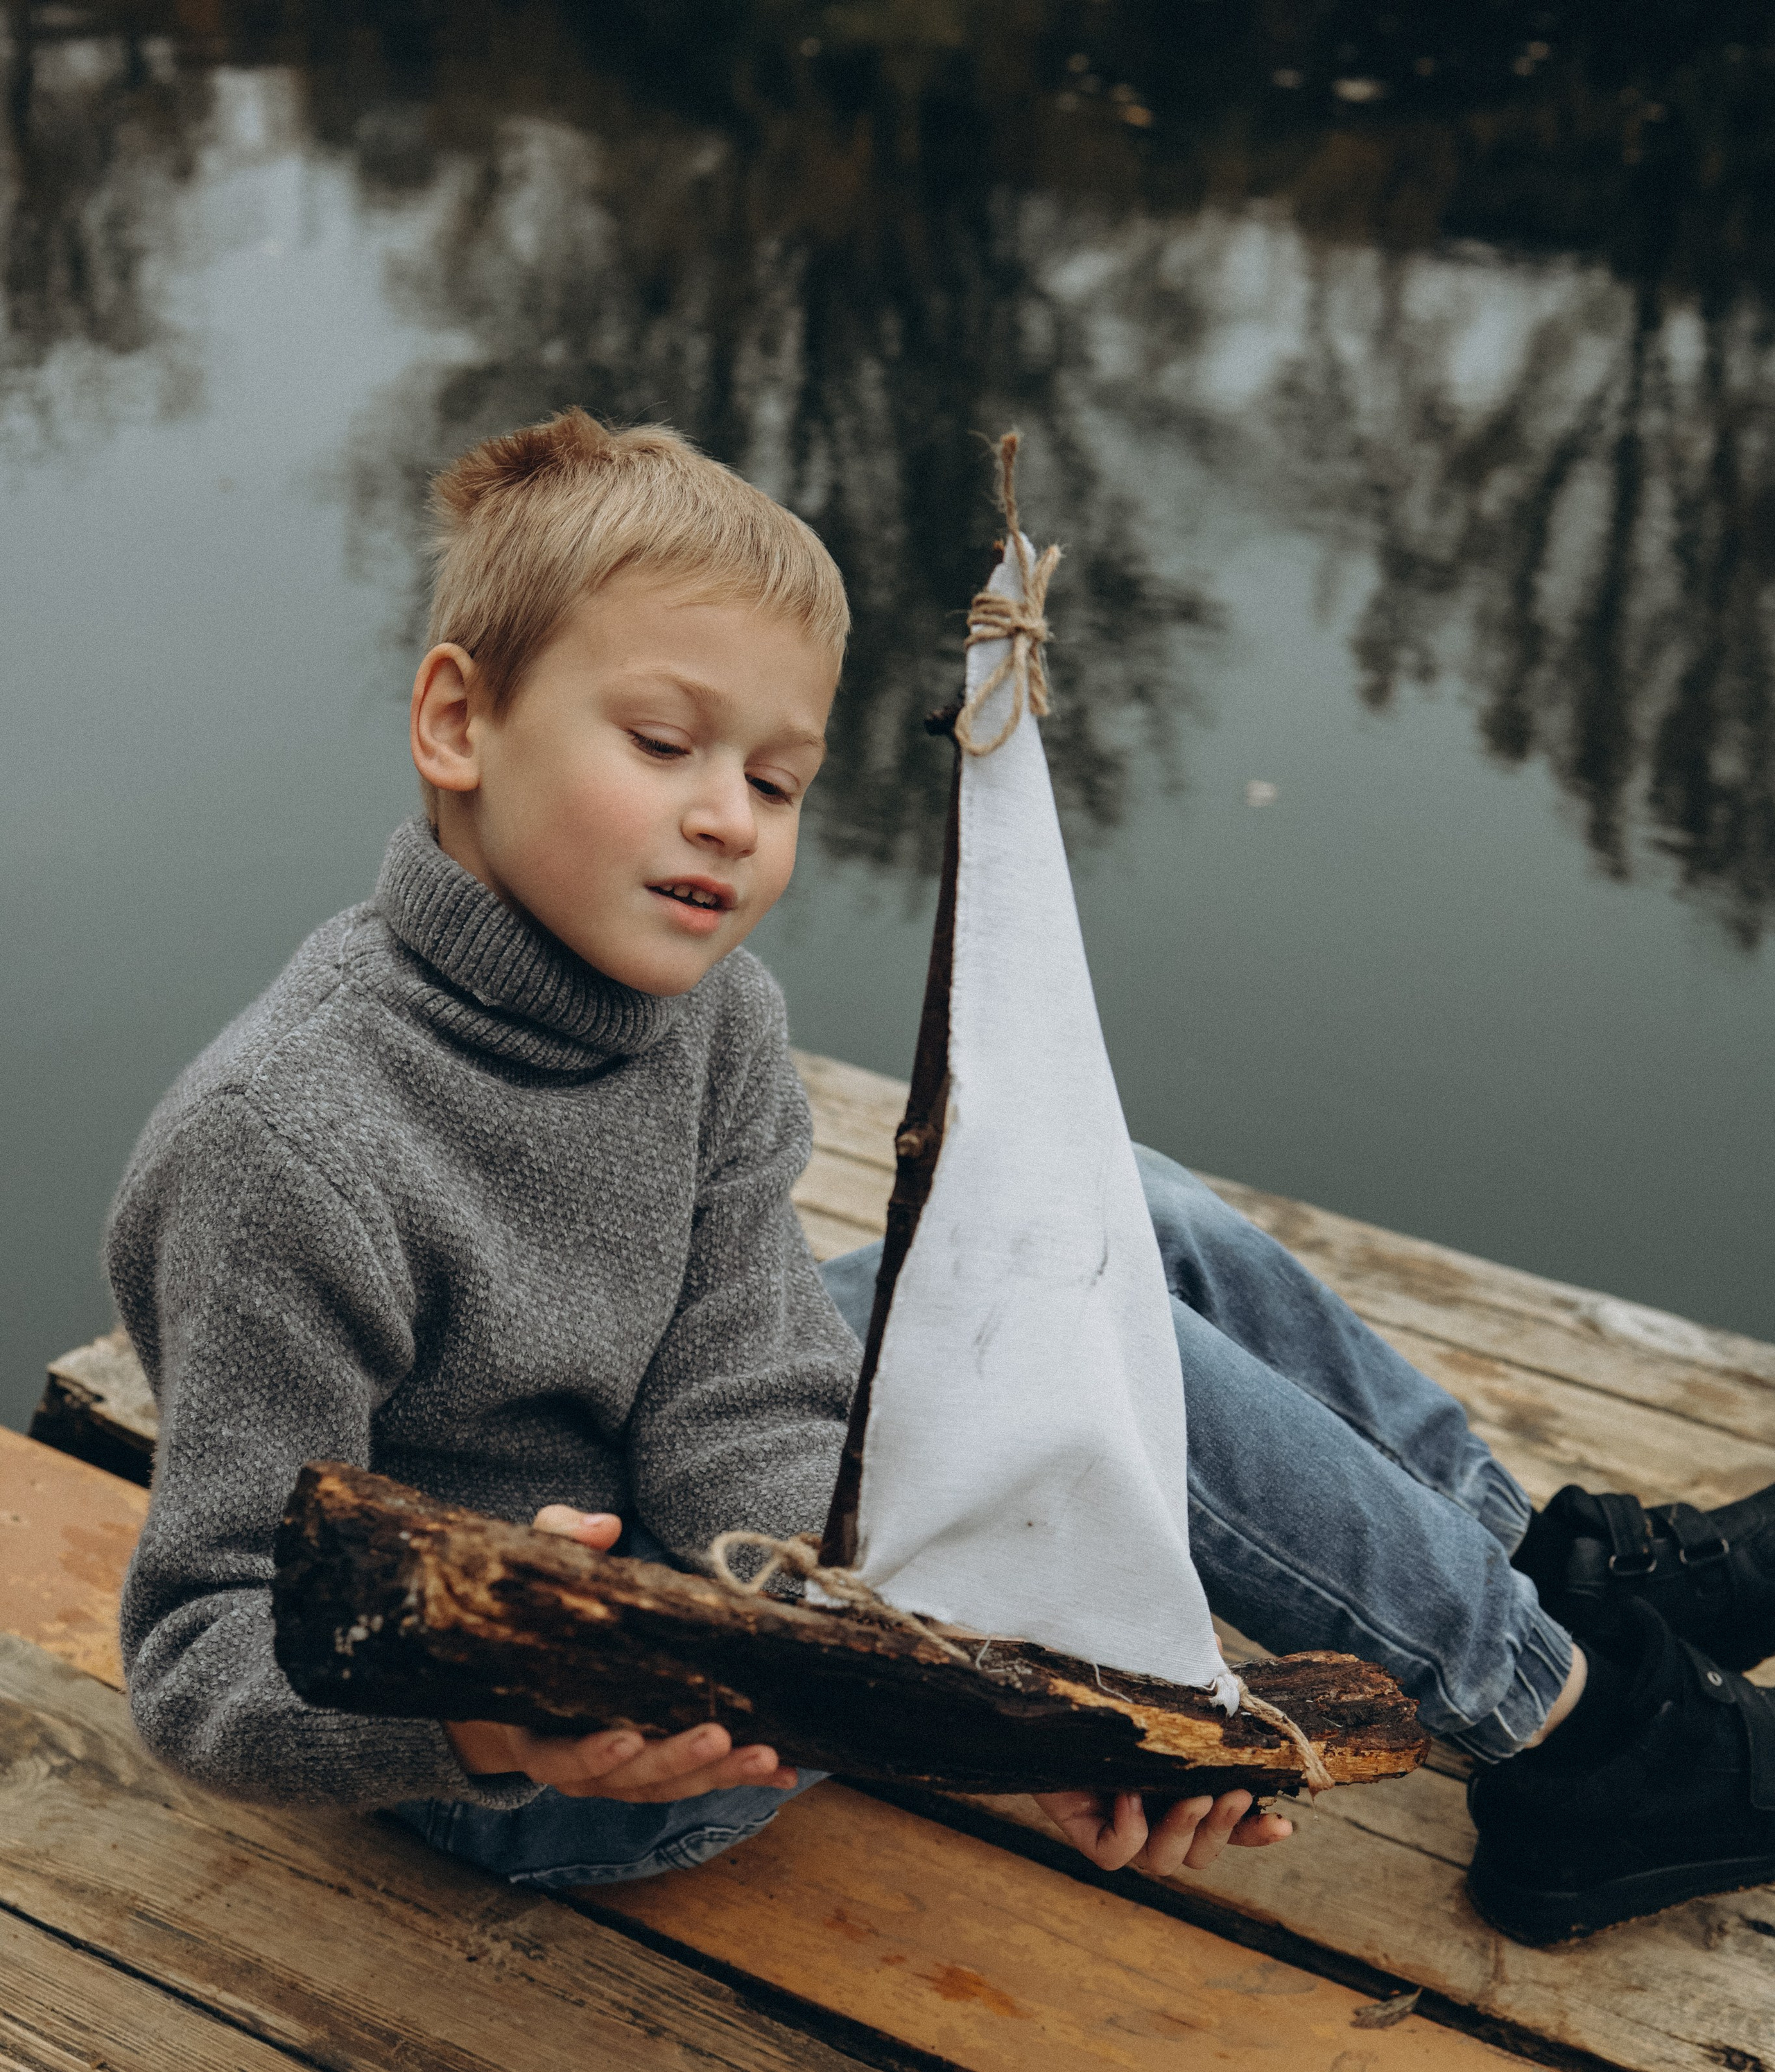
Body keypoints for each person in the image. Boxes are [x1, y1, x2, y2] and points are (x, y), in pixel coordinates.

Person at [106, 409, 1775, 1946]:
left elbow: (734, 1395)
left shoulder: (710, 1024)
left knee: (1114, 1221)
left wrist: (1014, 1682)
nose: (728, 819)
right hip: (573, 1765)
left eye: (775, 781)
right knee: (1087, 1336)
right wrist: (484, 1723)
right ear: (459, 721)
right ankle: (1582, 1731)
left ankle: (1538, 1569)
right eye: (664, 744)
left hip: (750, 1599)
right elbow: (198, 1657)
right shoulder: (288, 1149)